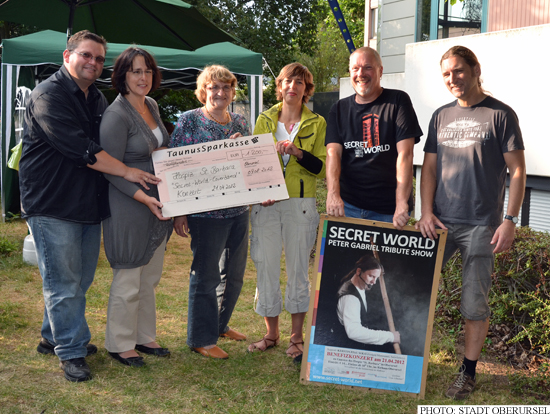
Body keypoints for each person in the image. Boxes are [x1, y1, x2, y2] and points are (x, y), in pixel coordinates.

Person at [19, 30, 160, 382]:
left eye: (98, 59)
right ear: (67, 55)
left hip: (85, 203)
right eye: (86, 55)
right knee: (63, 282)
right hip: (52, 203)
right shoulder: (47, 95)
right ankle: (71, 350)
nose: (93, 63)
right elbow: (86, 151)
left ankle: (52, 337)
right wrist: (127, 170)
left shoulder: (94, 98)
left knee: (78, 279)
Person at [416, 46, 526, 400]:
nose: (453, 79)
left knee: (474, 304)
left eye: (459, 71)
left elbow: (518, 170)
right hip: (440, 224)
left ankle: (467, 372)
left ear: (476, 69)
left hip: (483, 226)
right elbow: (429, 168)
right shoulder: (440, 116)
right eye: (447, 74)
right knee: (414, 289)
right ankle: (406, 361)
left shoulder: (500, 115)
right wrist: (426, 211)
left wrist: (510, 219)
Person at [247, 63, 326, 363]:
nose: (292, 86)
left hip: (300, 203)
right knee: (265, 264)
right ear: (279, 86)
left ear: (307, 89)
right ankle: (271, 334)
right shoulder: (264, 118)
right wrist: (259, 192)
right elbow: (253, 162)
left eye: (299, 82)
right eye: (287, 81)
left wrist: (298, 153)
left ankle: (296, 338)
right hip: (265, 203)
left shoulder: (317, 123)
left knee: (297, 271)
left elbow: (320, 168)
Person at [100, 47, 173, 368]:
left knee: (150, 276)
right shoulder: (116, 115)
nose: (143, 77)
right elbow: (109, 168)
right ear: (123, 76)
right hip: (128, 204)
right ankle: (119, 342)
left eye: (147, 71)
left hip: (156, 204)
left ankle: (144, 336)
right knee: (129, 275)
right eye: (135, 72)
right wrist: (142, 196)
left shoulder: (152, 105)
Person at [170, 65, 249, 359]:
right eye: (214, 87)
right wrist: (180, 212)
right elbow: (178, 168)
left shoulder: (239, 120)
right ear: (204, 90)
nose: (220, 93)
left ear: (232, 91)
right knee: (206, 275)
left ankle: (220, 325)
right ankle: (200, 338)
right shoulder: (189, 121)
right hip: (205, 213)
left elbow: (248, 162)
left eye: (226, 87)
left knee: (235, 274)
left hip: (238, 209)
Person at [325, 47, 422, 229]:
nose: (360, 73)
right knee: (349, 259)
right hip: (348, 207)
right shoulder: (338, 109)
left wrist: (401, 203)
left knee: (385, 259)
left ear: (380, 70)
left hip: (389, 211)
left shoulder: (398, 101)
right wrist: (332, 194)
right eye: (355, 68)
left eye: (367, 67)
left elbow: (406, 155)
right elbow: (333, 154)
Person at [337, 255, 400, 348]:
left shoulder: (359, 284)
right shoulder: (350, 298)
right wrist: (390, 336)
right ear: (358, 271)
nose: (374, 282)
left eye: (376, 278)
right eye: (371, 276)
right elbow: (354, 332)